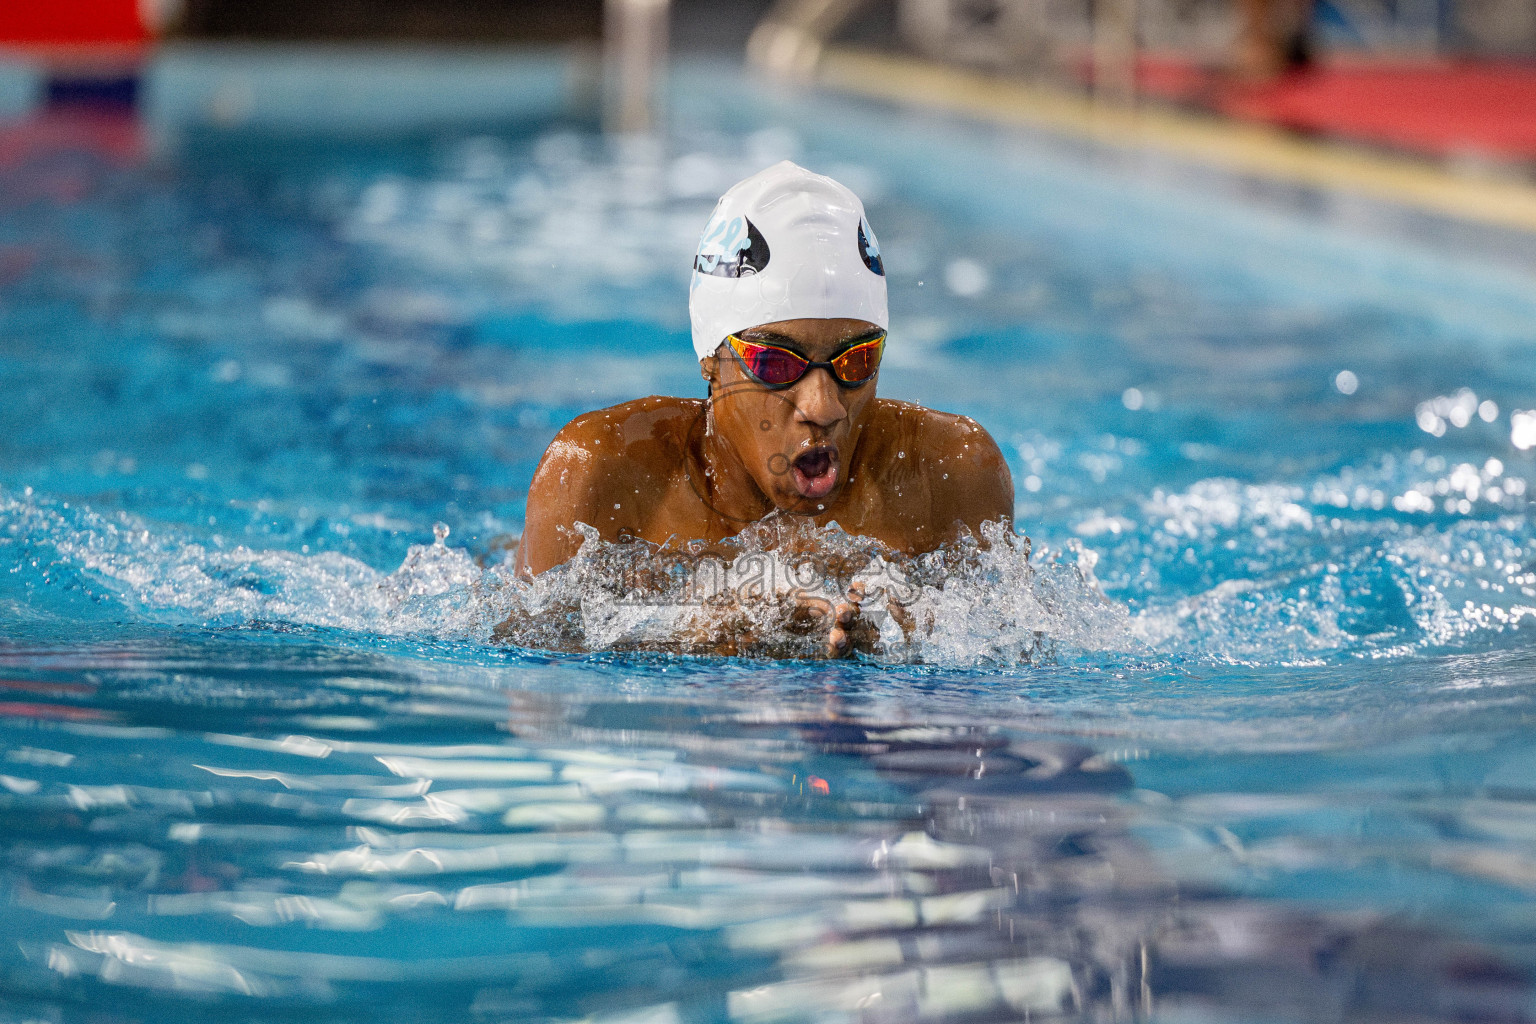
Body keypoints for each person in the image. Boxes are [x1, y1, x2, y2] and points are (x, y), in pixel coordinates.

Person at [512, 161, 1014, 657]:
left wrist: (907, 638)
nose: (823, 406)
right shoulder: (599, 472)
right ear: (710, 358)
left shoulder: (950, 475)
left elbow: (1013, 653)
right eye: (775, 363)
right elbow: (527, 658)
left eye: (857, 359)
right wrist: (691, 637)